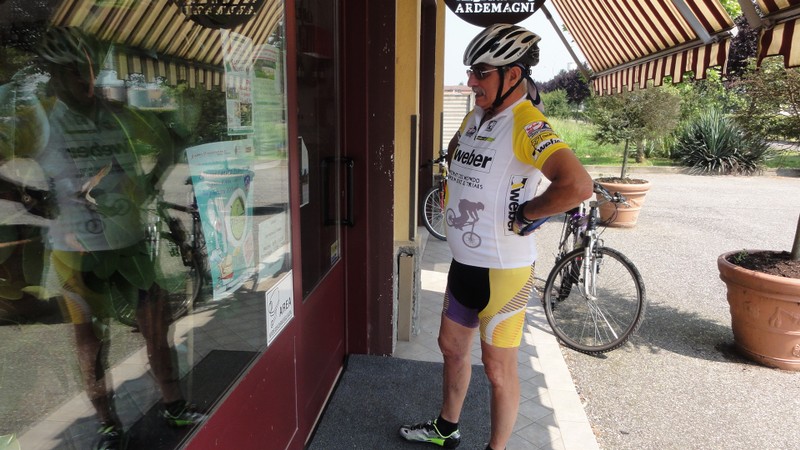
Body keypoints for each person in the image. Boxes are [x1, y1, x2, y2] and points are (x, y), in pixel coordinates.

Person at [399, 24, 593, 450]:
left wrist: (528, 212)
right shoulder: (476, 116)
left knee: (497, 369)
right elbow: (456, 152)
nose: (471, 81)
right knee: (451, 347)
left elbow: (578, 185)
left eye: (481, 72)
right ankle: (446, 429)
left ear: (513, 75)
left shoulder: (527, 123)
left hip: (504, 271)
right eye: (471, 71)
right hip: (464, 262)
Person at [31, 27, 204, 450]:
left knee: (157, 329)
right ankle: (108, 424)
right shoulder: (37, 119)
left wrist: (151, 180)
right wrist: (33, 200)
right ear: (54, 74)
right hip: (75, 252)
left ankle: (174, 405)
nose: (83, 78)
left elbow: (169, 142)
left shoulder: (120, 114)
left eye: (88, 69)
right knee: (91, 341)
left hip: (130, 243)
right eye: (71, 70)